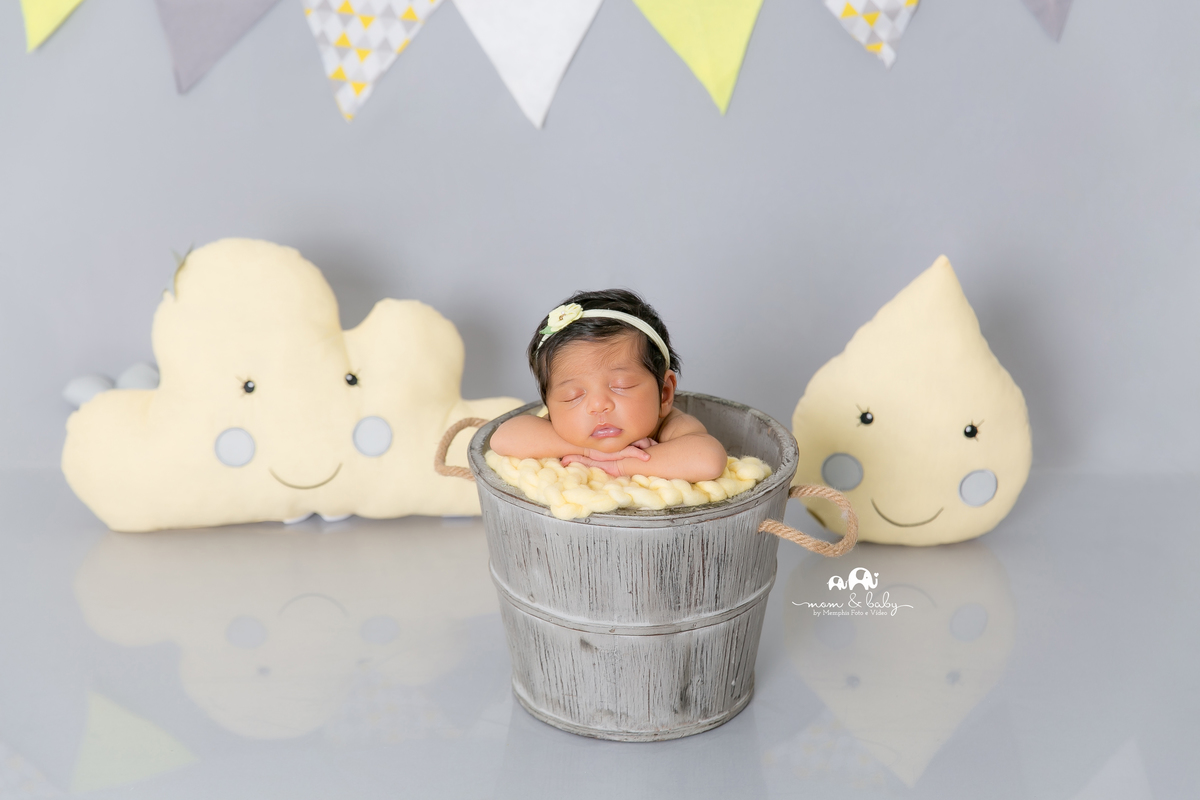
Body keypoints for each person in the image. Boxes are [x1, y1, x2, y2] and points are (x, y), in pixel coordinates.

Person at [489, 289, 728, 482]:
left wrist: (617, 463)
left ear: (664, 393)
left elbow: (708, 459)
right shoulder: (558, 429)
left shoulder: (672, 426)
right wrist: (588, 451)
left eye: (621, 385)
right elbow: (502, 438)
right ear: (550, 406)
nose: (598, 405)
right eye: (572, 396)